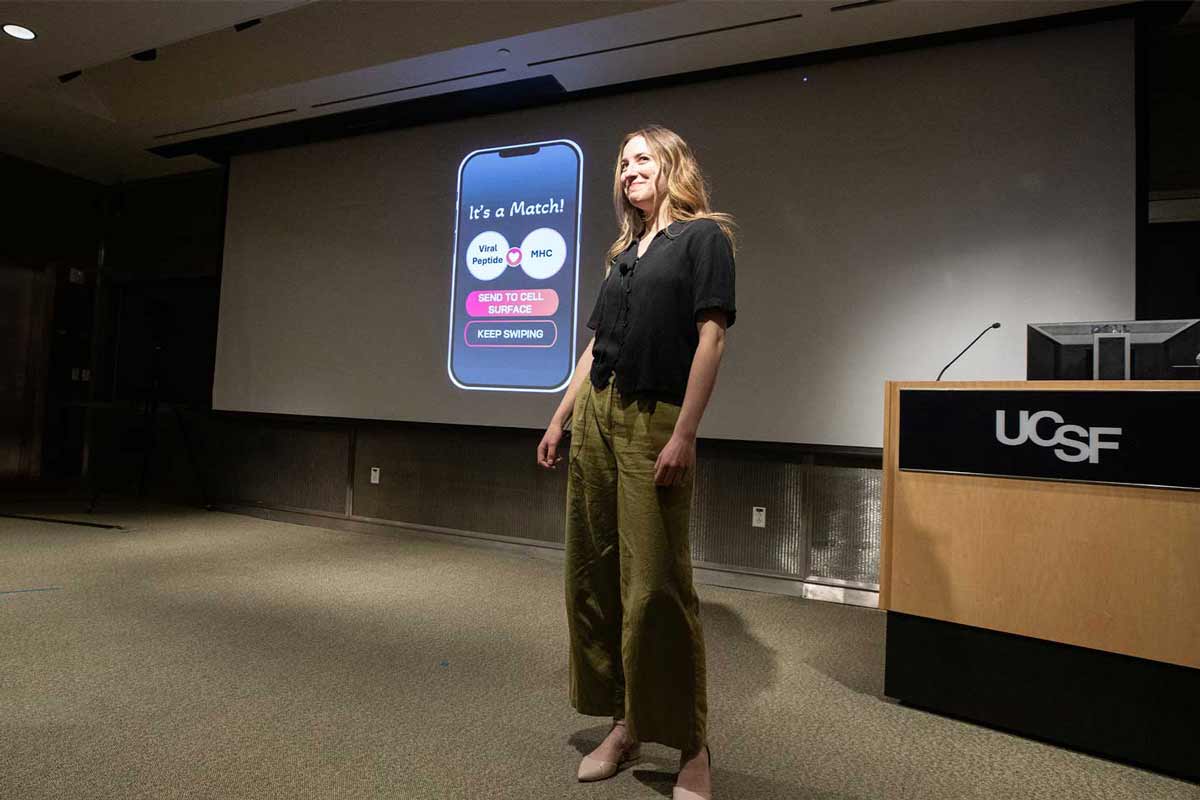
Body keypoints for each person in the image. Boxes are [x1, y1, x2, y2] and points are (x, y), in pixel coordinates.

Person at [536, 124, 736, 800]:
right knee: (595, 574)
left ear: (673, 164)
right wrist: (561, 417)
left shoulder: (703, 238)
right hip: (598, 415)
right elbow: (596, 348)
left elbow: (711, 340)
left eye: (642, 158)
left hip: (655, 420)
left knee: (656, 585)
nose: (629, 170)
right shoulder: (624, 252)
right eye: (623, 163)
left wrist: (685, 433)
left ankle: (691, 745)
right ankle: (626, 725)